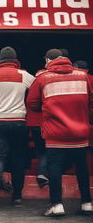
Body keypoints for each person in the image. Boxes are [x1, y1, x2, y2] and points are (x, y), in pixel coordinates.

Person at [27, 49, 93, 217]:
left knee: (54, 167)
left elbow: (32, 103)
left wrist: (49, 106)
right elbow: (90, 101)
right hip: (80, 132)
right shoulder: (83, 76)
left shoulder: (43, 78)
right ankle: (87, 203)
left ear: (49, 60)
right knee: (82, 168)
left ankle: (57, 205)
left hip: (55, 133)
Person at [0, 46, 35, 209]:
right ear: (15, 61)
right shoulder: (24, 75)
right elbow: (36, 89)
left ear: (0, 61)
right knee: (18, 158)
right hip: (18, 121)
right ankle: (17, 197)